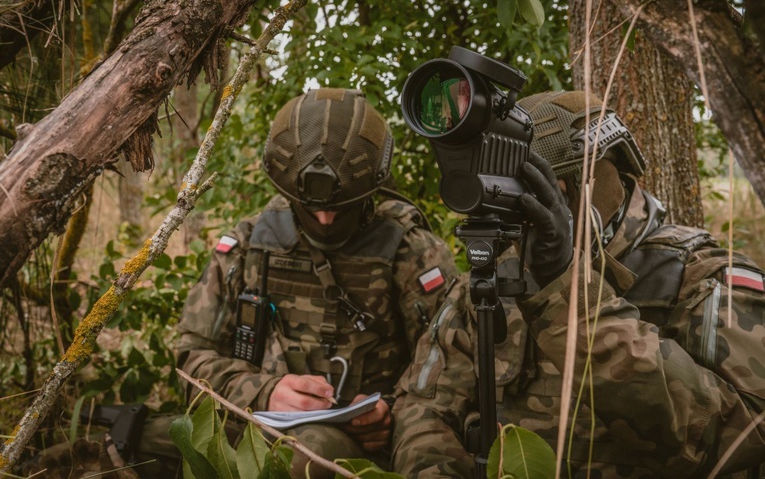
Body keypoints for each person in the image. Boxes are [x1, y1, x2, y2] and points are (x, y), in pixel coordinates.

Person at [392, 90, 765, 478]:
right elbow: (423, 409)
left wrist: (567, 288)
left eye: (548, 193)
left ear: (593, 183)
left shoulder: (699, 279)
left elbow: (742, 439)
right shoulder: (492, 278)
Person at [175, 87, 459, 478]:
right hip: (255, 424)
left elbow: (452, 372)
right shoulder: (248, 247)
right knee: (133, 437)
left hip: (361, 446)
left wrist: (389, 412)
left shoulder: (412, 253)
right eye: (311, 208)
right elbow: (189, 358)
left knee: (306, 453)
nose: (325, 221)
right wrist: (264, 392)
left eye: (340, 209)